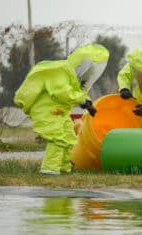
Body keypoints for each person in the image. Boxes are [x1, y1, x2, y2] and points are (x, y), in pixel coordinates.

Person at [14, 44, 109, 175]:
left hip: (59, 112)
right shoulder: (61, 71)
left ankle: (64, 169)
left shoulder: (73, 77)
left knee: (69, 138)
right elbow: (63, 92)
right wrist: (83, 101)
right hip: (47, 111)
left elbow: (76, 92)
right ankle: (49, 169)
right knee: (58, 139)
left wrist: (87, 103)